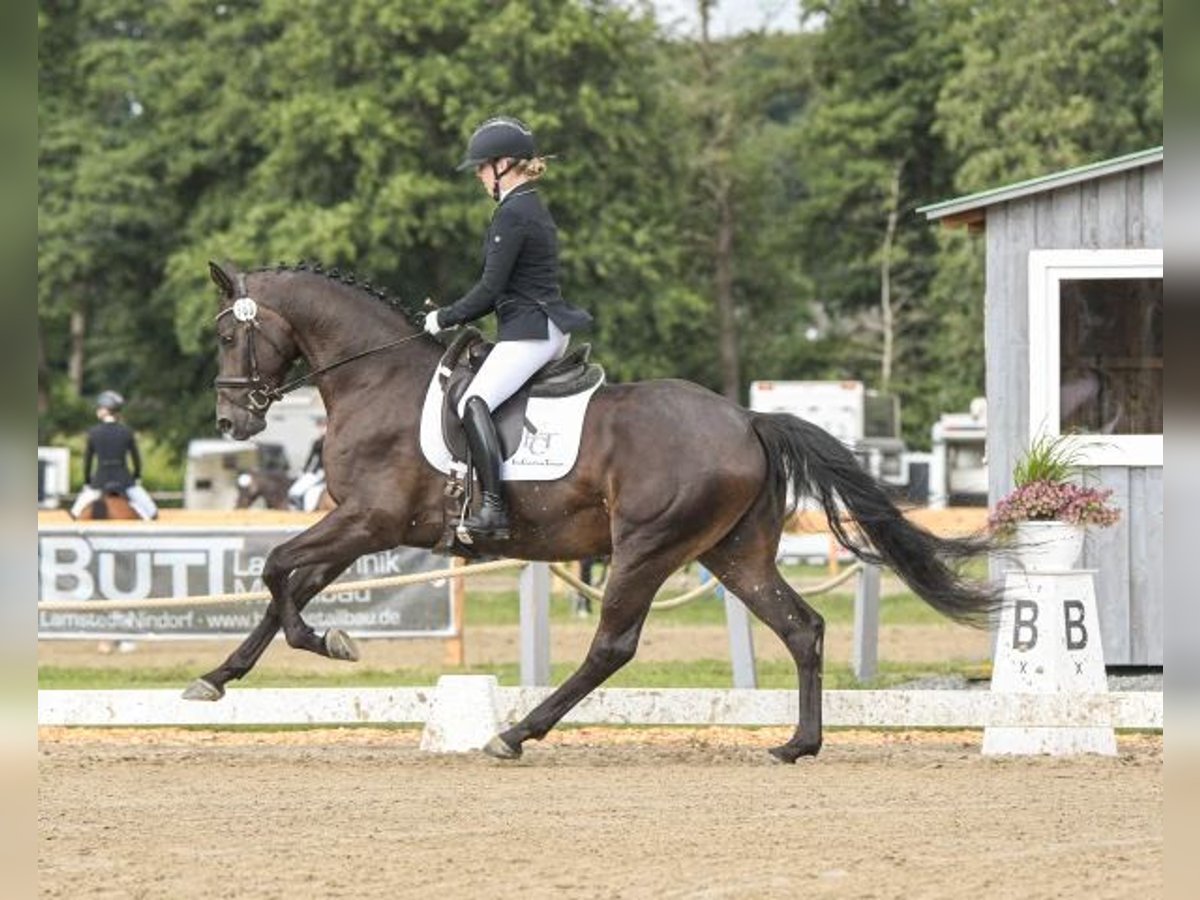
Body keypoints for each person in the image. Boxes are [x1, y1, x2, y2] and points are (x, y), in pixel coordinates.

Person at [423, 115, 592, 541]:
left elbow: (489, 289)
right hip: (541, 326)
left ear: (502, 165)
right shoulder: (527, 204)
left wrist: (443, 317)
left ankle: (493, 510)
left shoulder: (513, 212)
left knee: (473, 400)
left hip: (532, 330)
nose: (479, 176)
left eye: (481, 167)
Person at [70, 390, 158, 520]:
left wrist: (88, 481)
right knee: (152, 513)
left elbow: (87, 461)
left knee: (75, 514)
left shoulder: (93, 433)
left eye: (99, 408)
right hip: (124, 481)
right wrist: (136, 476)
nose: (97, 411)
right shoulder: (127, 432)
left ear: (106, 410)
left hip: (99, 481)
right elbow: (136, 460)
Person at [288, 416, 327, 512]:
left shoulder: (331, 441)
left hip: (324, 472)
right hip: (316, 471)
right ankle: (298, 509)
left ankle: (304, 511)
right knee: (294, 492)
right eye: (320, 427)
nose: (321, 429)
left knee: (305, 493)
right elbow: (310, 459)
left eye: (323, 426)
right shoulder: (317, 442)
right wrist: (303, 471)